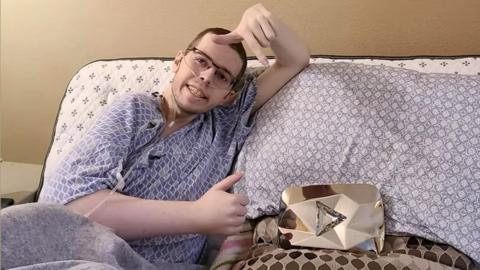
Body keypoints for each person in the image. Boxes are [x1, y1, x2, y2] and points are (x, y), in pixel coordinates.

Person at [37, 3, 309, 266]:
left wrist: (263, 19)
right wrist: (197, 216)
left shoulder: (225, 121)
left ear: (229, 96)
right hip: (83, 255)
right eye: (201, 61)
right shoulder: (133, 110)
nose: (206, 77)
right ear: (178, 60)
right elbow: (72, 205)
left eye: (221, 75)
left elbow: (295, 59)